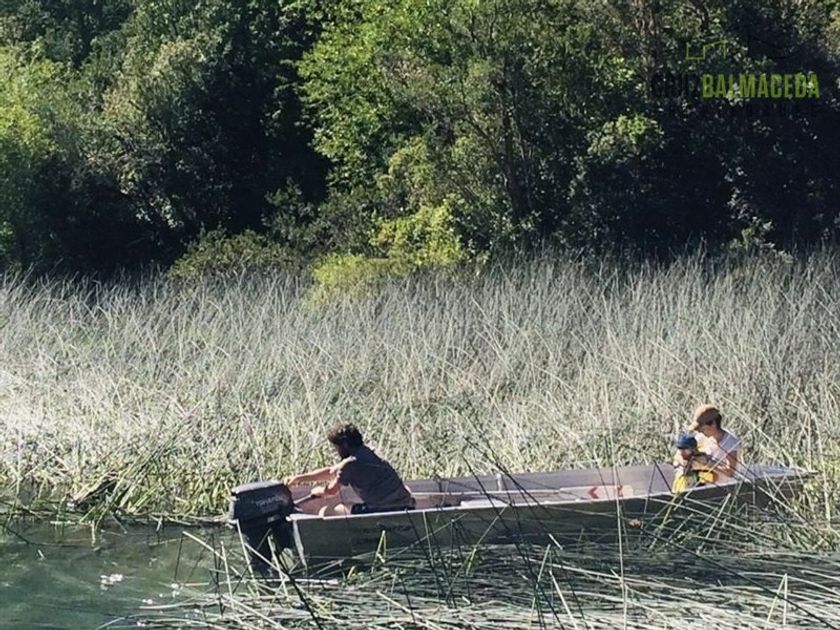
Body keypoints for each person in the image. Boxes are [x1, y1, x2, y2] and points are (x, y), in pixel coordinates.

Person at [284, 423, 415, 516]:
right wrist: (298, 479)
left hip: (383, 510)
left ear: (345, 445)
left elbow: (331, 491)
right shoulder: (370, 451)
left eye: (336, 447)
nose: (336, 451)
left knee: (330, 511)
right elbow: (332, 471)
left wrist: (319, 491)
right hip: (406, 505)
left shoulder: (350, 464)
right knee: (351, 504)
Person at [688, 404, 742, 478]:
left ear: (713, 424)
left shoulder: (730, 442)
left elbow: (730, 472)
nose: (700, 432)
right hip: (703, 481)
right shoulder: (700, 438)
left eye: (703, 429)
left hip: (725, 484)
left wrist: (709, 464)